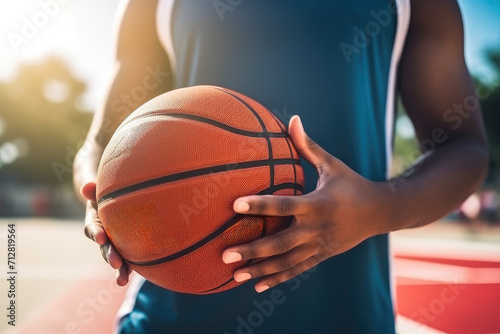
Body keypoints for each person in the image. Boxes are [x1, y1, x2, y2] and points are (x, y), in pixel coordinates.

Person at [74, 0, 489, 333]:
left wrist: (379, 207)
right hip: (169, 319)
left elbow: (465, 147)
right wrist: (102, 195)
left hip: (345, 315)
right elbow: (101, 141)